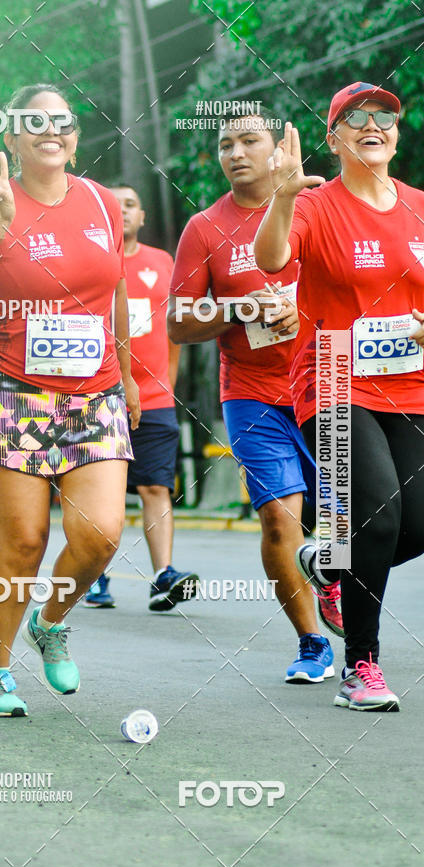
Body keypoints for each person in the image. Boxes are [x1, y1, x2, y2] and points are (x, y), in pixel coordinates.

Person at [0, 83, 140, 717]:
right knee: (24, 541)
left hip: (94, 392)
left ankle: (50, 621)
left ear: (75, 137)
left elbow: (117, 294)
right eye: (35, 121)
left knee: (101, 536)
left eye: (64, 122)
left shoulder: (102, 202)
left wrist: (129, 375)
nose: (51, 130)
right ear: (12, 138)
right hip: (7, 391)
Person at [254, 82, 424, 711]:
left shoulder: (419, 207)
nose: (372, 125)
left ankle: (329, 562)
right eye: (355, 118)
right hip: (332, 380)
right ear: (334, 138)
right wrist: (280, 200)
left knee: (418, 519)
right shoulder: (314, 205)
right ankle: (362, 667)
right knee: (378, 507)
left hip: (411, 384)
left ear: (396, 133)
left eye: (384, 116)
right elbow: (272, 261)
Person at [168, 108, 343, 684]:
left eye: (250, 141)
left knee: (347, 520)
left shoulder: (320, 207)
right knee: (276, 519)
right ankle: (312, 641)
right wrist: (238, 309)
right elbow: (179, 321)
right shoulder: (204, 228)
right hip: (251, 393)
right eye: (225, 144)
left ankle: (337, 586)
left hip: (332, 380)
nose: (236, 153)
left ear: (280, 150)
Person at [85, 186, 199, 611]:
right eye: (114, 206)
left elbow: (175, 329)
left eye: (130, 204)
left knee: (156, 486)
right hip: (97, 396)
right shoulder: (87, 260)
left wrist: (166, 384)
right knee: (99, 492)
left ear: (143, 215)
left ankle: (163, 575)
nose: (123, 211)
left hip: (154, 398)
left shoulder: (161, 262)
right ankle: (94, 575)